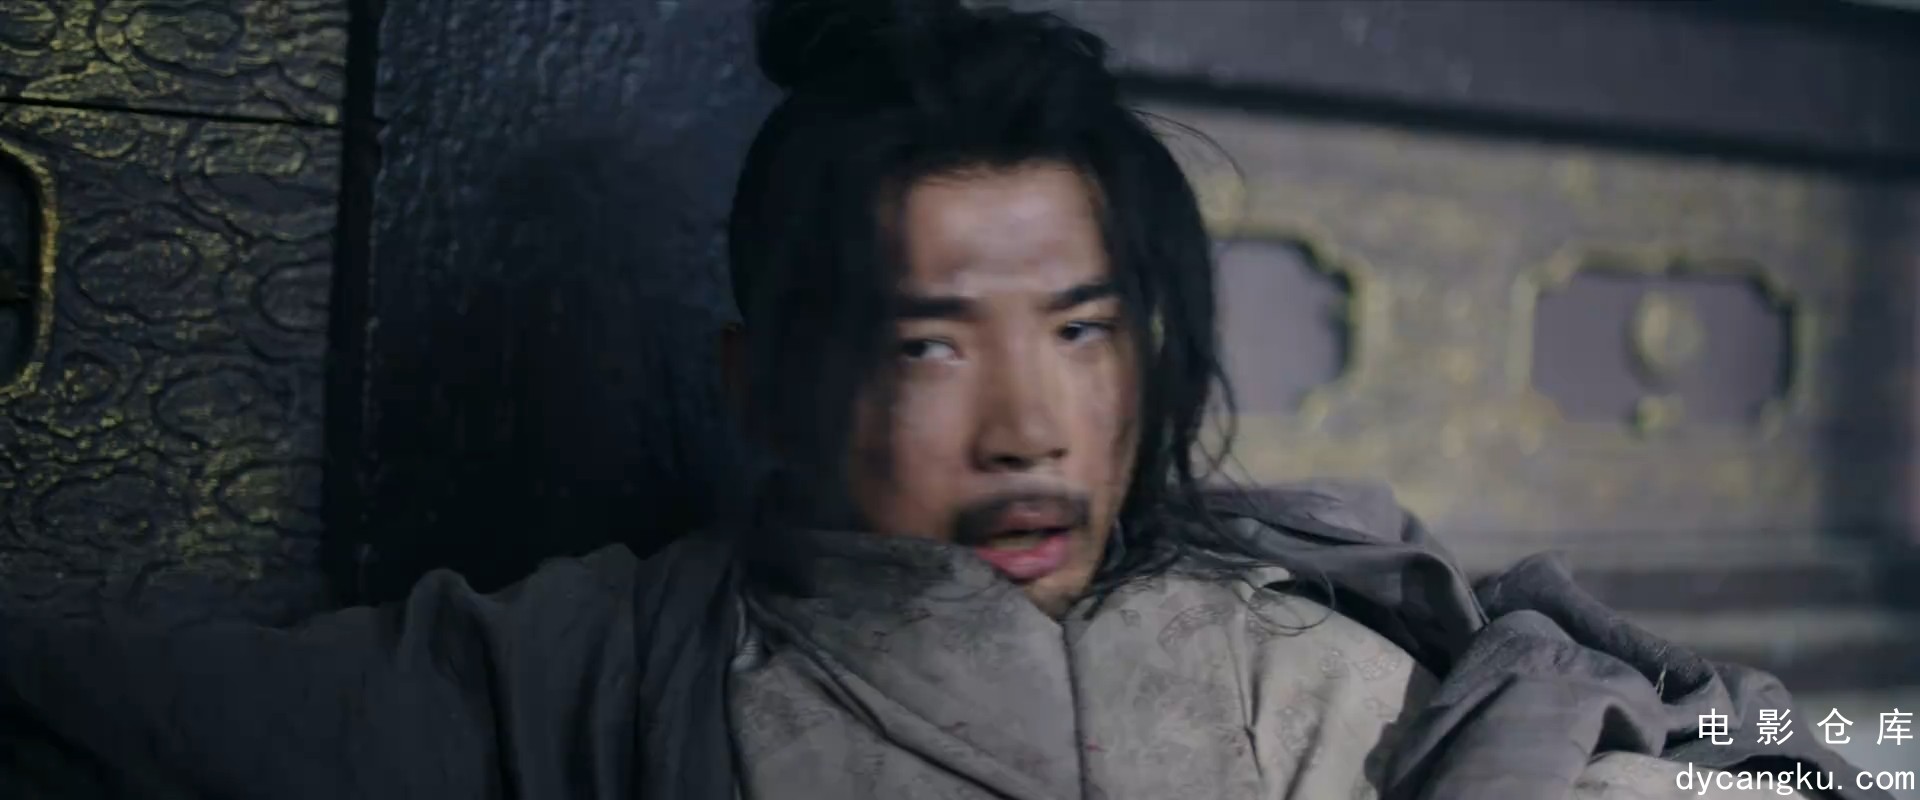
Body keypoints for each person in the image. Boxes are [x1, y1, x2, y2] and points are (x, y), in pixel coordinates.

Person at [0, 1, 1887, 798]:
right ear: (763, 382)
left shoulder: (1315, 642)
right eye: (928, 343)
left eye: (1083, 331)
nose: (1026, 423)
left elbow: (1799, 760)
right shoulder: (617, 671)